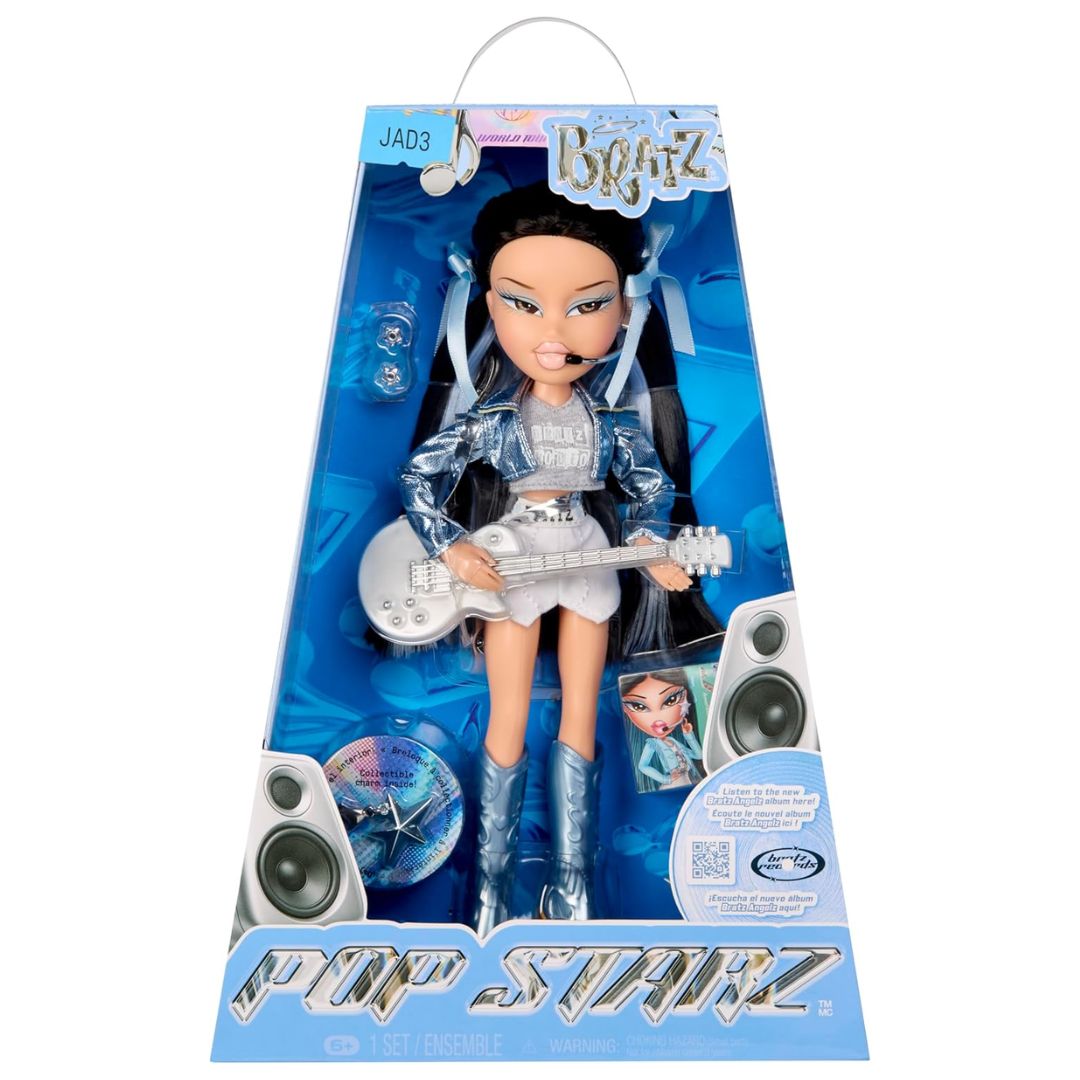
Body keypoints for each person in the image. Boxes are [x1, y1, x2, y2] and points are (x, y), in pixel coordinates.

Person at [395, 180, 721, 934]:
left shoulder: (610, 423)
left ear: (624, 310)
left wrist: (651, 544)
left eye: (586, 305)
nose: (552, 331)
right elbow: (417, 477)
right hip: (510, 558)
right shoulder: (491, 420)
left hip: (588, 556)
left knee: (580, 712)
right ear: (489, 305)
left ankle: (574, 888)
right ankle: (490, 888)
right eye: (522, 303)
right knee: (507, 716)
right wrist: (454, 545)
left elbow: (651, 489)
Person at [621, 669, 705, 792]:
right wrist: (665, 779)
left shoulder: (673, 741)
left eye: (671, 700)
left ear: (685, 696)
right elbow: (642, 766)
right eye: (638, 706)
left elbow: (698, 755)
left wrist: (688, 734)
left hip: (690, 778)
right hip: (675, 783)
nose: (657, 719)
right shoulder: (652, 743)